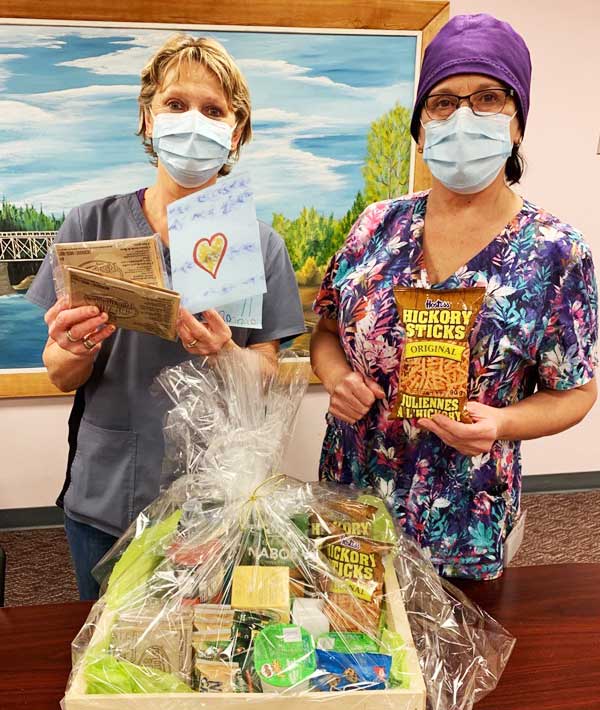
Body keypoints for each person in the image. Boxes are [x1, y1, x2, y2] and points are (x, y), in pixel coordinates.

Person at [310, 14, 598, 580]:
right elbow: (325, 333)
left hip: (467, 510)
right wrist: (335, 378)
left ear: (517, 125)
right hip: (355, 493)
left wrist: (499, 424)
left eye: (488, 98)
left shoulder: (556, 252)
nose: (463, 117)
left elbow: (576, 393)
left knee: (461, 661)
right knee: (351, 653)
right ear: (421, 127)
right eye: (442, 102)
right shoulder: (376, 226)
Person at [26, 35, 305, 599]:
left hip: (214, 501)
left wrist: (226, 353)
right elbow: (59, 374)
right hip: (108, 491)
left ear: (236, 133)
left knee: (202, 657)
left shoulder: (258, 246)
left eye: (213, 110)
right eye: (176, 104)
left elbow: (269, 376)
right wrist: (73, 347)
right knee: (103, 653)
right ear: (148, 120)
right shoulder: (90, 226)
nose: (193, 122)